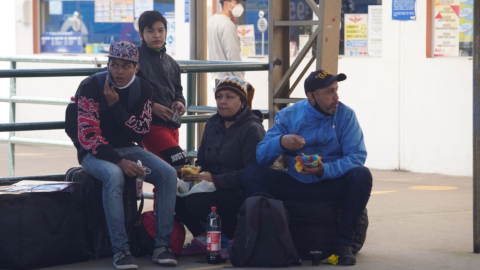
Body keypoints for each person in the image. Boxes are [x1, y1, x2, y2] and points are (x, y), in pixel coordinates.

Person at [242, 70, 372, 266]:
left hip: (330, 183)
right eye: (329, 92)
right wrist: (281, 142)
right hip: (296, 184)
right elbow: (261, 157)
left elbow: (357, 156)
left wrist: (325, 170)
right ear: (311, 96)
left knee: (362, 175)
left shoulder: (346, 115)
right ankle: (274, 235)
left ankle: (343, 243)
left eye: (336, 90)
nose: (336, 96)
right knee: (251, 174)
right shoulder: (288, 116)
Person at [68, 41, 178, 269]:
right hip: (93, 152)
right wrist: (119, 161)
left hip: (128, 148)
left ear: (136, 68)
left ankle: (162, 246)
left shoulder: (144, 89)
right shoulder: (90, 86)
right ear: (107, 64)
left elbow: (140, 130)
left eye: (126, 66)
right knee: (114, 175)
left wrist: (115, 105)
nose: (119, 71)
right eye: (114, 64)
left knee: (167, 173)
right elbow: (88, 136)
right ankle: (121, 250)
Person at [175, 76, 265, 257]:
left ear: (242, 102)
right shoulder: (212, 124)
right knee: (173, 194)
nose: (222, 102)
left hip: (236, 190)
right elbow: (201, 161)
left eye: (230, 97)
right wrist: (193, 174)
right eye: (219, 97)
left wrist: (214, 179)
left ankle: (231, 240)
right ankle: (202, 237)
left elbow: (253, 173)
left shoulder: (252, 129)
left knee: (196, 201)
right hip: (209, 184)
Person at [136, 10, 190, 167]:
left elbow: (178, 91)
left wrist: (179, 102)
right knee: (182, 165)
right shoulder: (134, 60)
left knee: (167, 173)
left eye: (161, 30)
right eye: (150, 31)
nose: (157, 35)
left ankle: (161, 194)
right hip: (151, 126)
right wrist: (151, 107)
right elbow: (126, 93)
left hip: (172, 125)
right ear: (141, 35)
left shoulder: (172, 63)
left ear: (166, 32)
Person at [207, 0, 245, 79]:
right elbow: (233, 55)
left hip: (215, 78)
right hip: (229, 81)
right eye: (237, 2)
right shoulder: (227, 24)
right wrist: (241, 80)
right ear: (226, 4)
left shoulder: (212, 20)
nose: (239, 5)